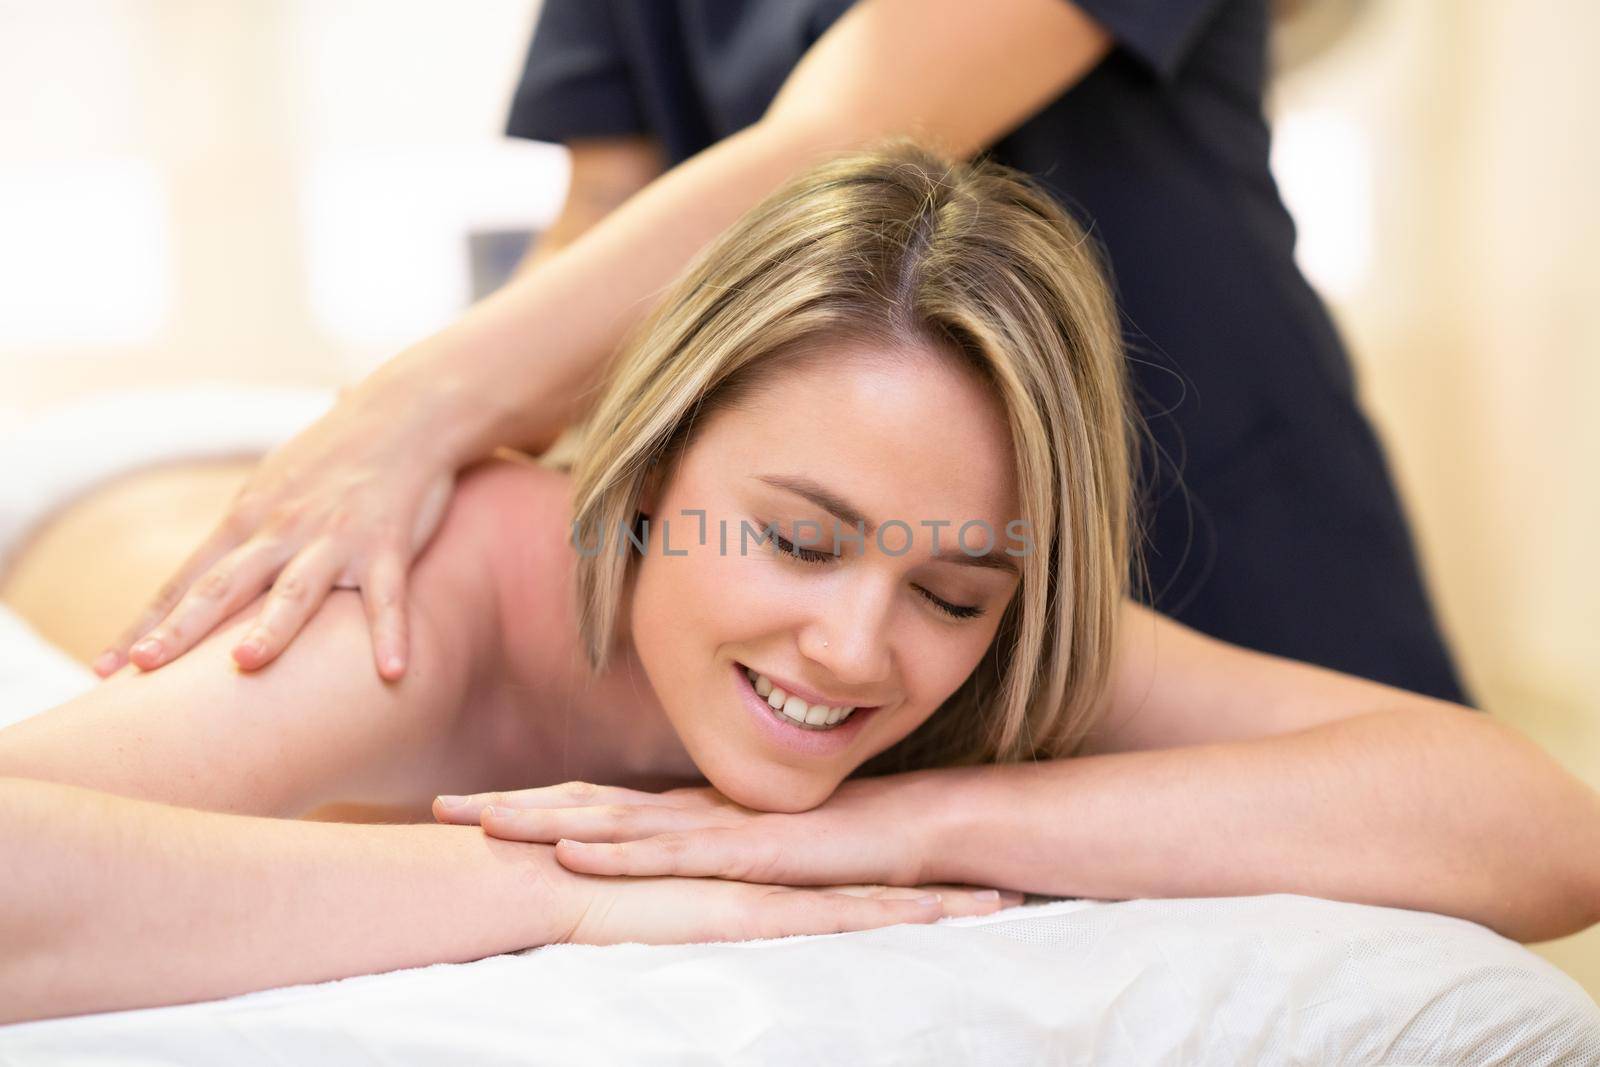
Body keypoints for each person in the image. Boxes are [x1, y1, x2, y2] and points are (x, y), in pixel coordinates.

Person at [3, 145, 1594, 1026]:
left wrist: (905, 819)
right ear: (649, 462)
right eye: (796, 539)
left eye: (957, 593)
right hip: (121, 489)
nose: (856, 650)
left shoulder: (966, 597)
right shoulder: (422, 618)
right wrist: (566, 889)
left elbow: (1539, 832)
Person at [90, 0, 1470, 712]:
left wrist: (404, 410)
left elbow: (859, 131)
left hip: (1214, 525)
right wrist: (418, 527)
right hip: (865, 590)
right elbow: (602, 219)